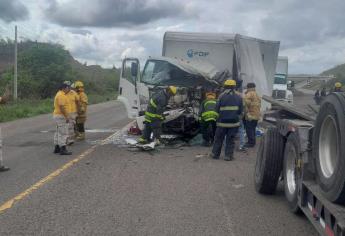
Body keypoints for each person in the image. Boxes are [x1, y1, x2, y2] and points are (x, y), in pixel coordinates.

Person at [210, 79, 243, 161]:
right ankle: (228, 156)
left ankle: (215, 154)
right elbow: (241, 111)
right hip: (234, 124)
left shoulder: (221, 96)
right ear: (234, 87)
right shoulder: (239, 97)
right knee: (230, 140)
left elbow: (216, 109)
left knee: (218, 139)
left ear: (225, 86)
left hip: (221, 123)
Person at [53, 82, 72, 155]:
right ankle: (63, 149)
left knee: (58, 132)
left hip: (58, 115)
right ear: (64, 88)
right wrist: (67, 116)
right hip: (61, 116)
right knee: (63, 133)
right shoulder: (61, 95)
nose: (69, 89)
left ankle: (57, 147)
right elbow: (62, 107)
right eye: (68, 88)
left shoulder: (60, 94)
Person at [243, 82, 261, 148]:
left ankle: (250, 143)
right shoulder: (257, 94)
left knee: (249, 129)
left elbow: (245, 104)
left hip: (250, 115)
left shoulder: (249, 94)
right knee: (253, 129)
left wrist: (245, 114)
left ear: (248, 87)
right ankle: (253, 142)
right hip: (256, 115)